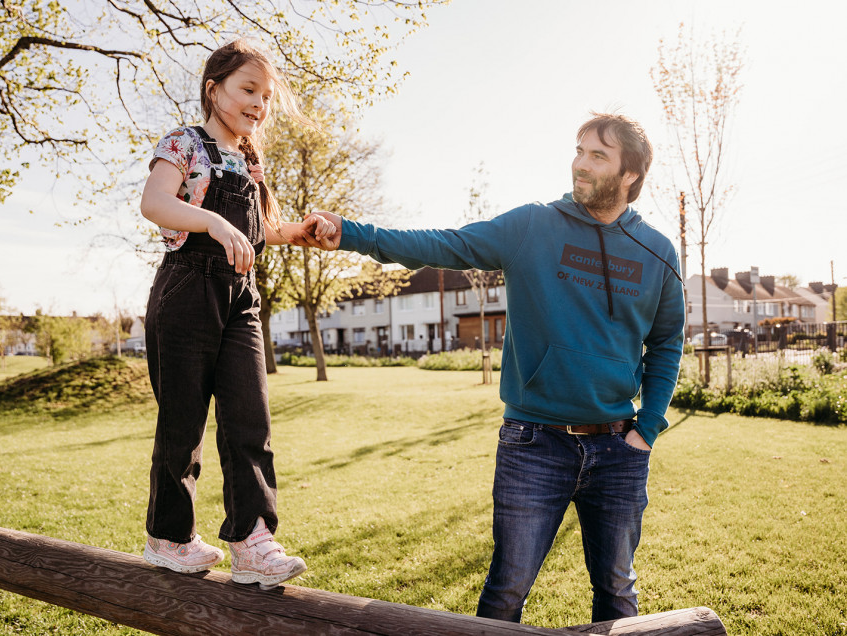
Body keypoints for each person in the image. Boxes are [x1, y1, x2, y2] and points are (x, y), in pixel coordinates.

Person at [297, 113, 685, 622]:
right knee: (506, 590)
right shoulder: (533, 225)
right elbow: (443, 243)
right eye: (579, 150)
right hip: (534, 444)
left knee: (616, 592)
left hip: (618, 447)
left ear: (630, 174)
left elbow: (667, 343)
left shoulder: (657, 251)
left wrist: (647, 429)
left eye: (597, 156)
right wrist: (350, 233)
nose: (579, 164)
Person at [139, 39, 334, 590]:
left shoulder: (249, 159)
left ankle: (252, 541)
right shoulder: (184, 143)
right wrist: (212, 223)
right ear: (214, 88)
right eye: (249, 89)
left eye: (266, 95)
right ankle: (169, 538)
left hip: (241, 298)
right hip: (186, 291)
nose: (259, 104)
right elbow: (155, 203)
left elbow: (262, 229)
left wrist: (301, 233)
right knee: (183, 423)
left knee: (250, 420)